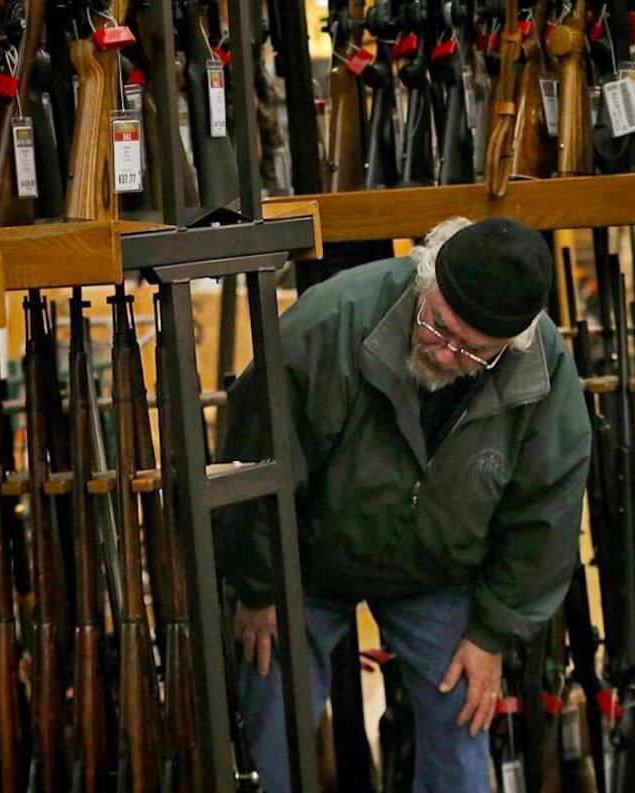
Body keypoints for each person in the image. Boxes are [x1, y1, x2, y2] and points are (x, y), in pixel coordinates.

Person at [221, 216, 592, 792]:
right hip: (304, 565)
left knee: (464, 730)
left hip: (439, 571)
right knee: (273, 731)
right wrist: (259, 585)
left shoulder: (541, 364)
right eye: (437, 326)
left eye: (473, 351)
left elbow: (546, 512)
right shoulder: (328, 322)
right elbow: (257, 464)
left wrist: (491, 634)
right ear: (424, 279)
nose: (445, 355)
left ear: (513, 344)